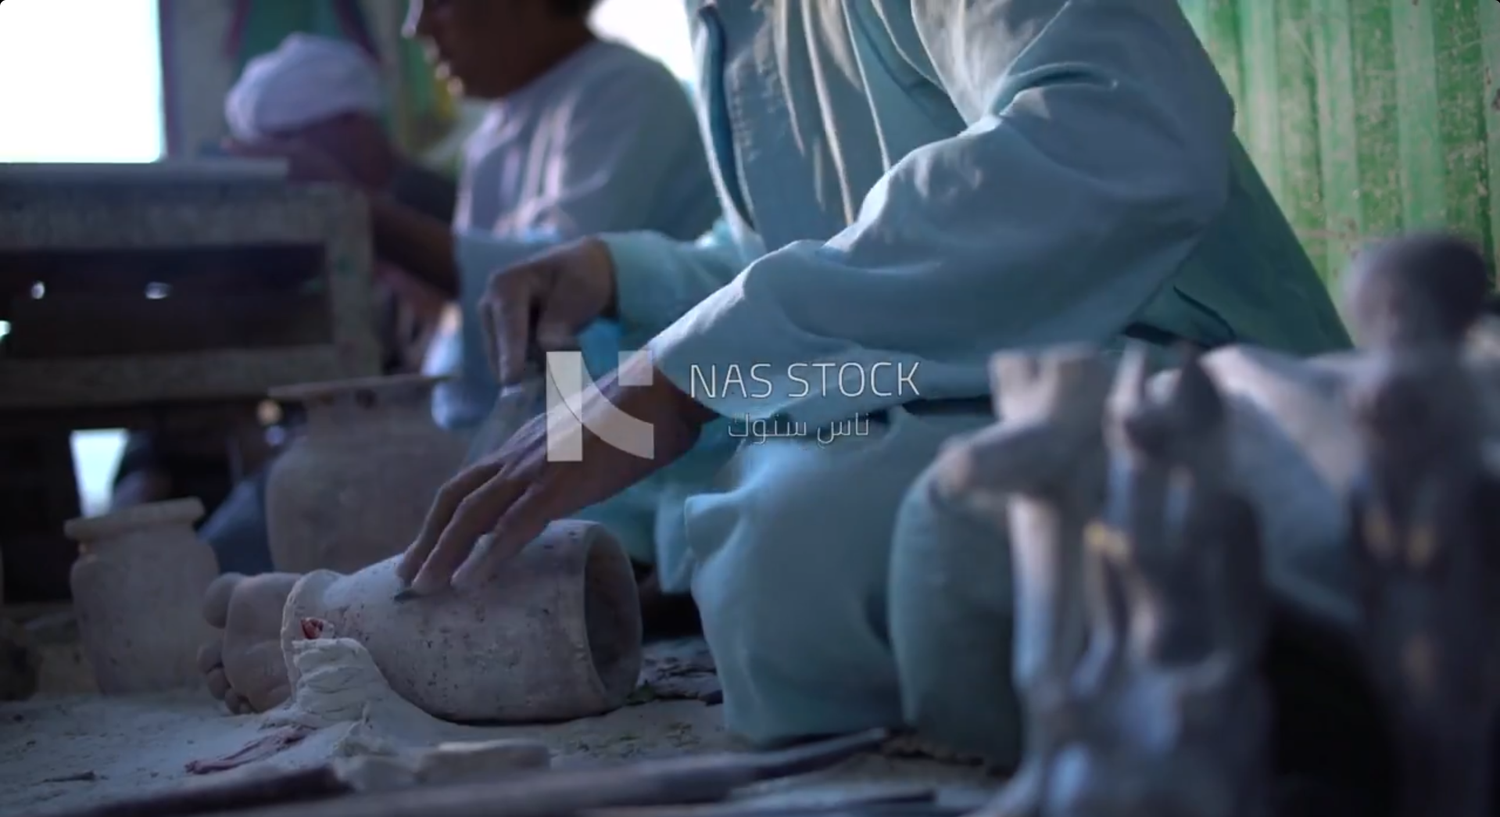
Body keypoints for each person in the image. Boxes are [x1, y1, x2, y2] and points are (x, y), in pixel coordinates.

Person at [396, 0, 1356, 769]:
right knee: (605, 470)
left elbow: (1121, 132)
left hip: (1171, 363)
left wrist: (687, 372)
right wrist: (624, 272)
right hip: (944, 373)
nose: (416, 26)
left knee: (793, 542)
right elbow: (820, 248)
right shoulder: (729, 20)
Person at [206, 0, 721, 578]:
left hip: (618, 434)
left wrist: (354, 206)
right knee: (287, 495)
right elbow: (484, 320)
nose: (416, 27)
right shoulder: (491, 137)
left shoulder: (626, 91)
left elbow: (552, 300)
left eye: (437, 2)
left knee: (318, 507)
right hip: (513, 417)